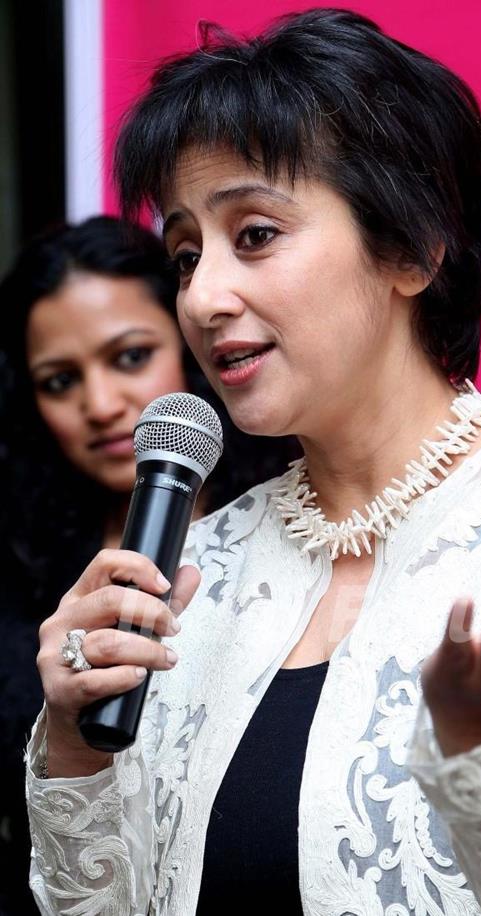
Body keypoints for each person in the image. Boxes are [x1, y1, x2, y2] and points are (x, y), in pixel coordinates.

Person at [23, 9, 481, 915]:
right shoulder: (200, 567)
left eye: (257, 235)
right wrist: (75, 750)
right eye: (187, 253)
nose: (202, 296)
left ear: (413, 246)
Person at [0, 215, 297, 915]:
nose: (100, 405)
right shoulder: (16, 574)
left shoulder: (289, 529)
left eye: (130, 356)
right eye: (60, 380)